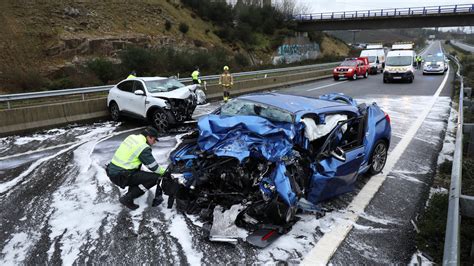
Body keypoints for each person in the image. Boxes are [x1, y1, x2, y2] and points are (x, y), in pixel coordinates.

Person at [106, 127, 167, 210]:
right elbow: (154, 167)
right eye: (154, 140)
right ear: (149, 137)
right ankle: (127, 198)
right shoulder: (143, 147)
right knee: (155, 178)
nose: (154, 143)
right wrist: (165, 172)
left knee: (138, 171)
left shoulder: (131, 137)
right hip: (121, 176)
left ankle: (132, 191)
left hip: (112, 171)